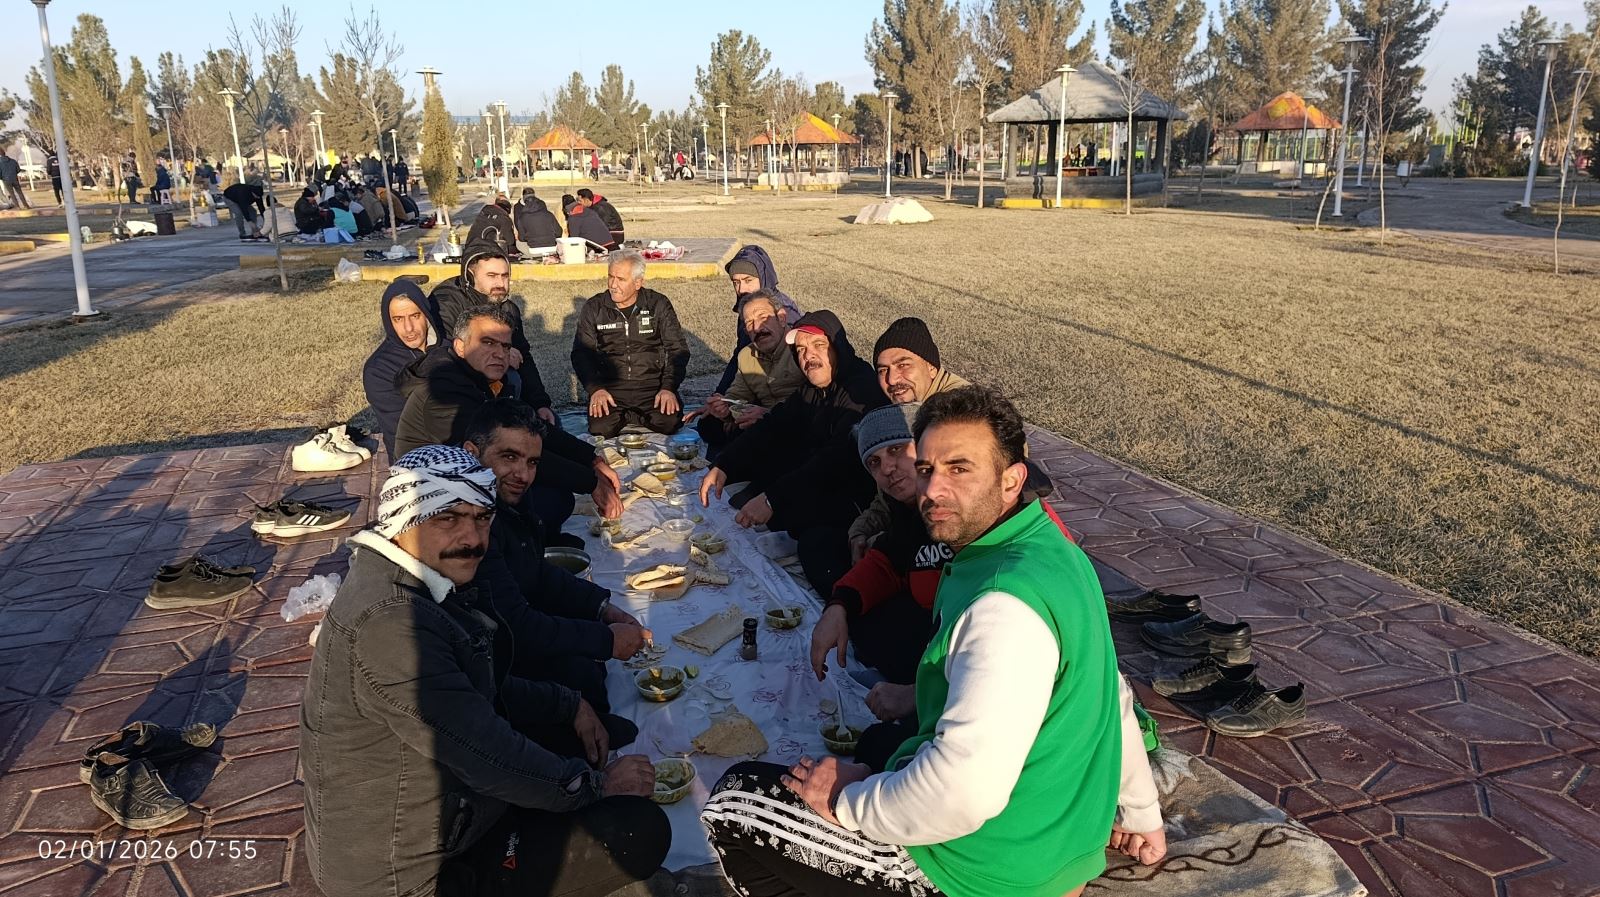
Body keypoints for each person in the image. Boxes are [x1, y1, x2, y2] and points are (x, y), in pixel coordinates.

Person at [702, 387, 1164, 897]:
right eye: (927, 469)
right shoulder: (1054, 553)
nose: (934, 489)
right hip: (1059, 843)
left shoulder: (1002, 604)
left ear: (1012, 480)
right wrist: (1142, 812)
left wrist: (847, 802)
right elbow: (1111, 694)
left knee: (735, 801)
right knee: (881, 748)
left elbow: (962, 793)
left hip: (989, 868)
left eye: (959, 468)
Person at [301, 445, 671, 897]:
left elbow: (474, 688)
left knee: (583, 729)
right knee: (638, 831)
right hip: (413, 873)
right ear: (403, 521)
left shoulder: (413, 579)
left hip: (445, 811)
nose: (472, 538)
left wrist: (567, 704)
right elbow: (486, 753)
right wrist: (598, 786)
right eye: (448, 518)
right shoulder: (389, 625)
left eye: (481, 518)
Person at [462, 399, 651, 713]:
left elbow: (534, 570)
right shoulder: (468, 522)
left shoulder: (505, 496)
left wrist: (601, 607)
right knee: (584, 677)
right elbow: (514, 624)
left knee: (587, 646)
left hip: (508, 627)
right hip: (484, 659)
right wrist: (605, 641)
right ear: (471, 452)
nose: (523, 475)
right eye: (509, 457)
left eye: (532, 462)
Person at [699, 310, 885, 596]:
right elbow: (774, 424)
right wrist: (724, 464)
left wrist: (773, 499)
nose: (808, 356)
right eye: (800, 350)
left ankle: (847, 606)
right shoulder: (812, 388)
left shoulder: (861, 389)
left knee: (810, 542)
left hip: (856, 499)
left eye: (818, 345)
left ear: (837, 347)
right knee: (753, 479)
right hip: (819, 480)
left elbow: (835, 460)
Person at [395, 303, 626, 530]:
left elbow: (530, 427)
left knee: (554, 496)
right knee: (549, 501)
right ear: (460, 347)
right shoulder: (444, 390)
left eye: (505, 346)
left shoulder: (486, 379)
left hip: (470, 480)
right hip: (428, 501)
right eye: (487, 343)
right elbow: (503, 450)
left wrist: (591, 459)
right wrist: (591, 482)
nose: (499, 354)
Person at [571, 251, 689, 436]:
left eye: (621, 279)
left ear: (638, 282)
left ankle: (634, 416)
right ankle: (626, 416)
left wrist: (668, 388)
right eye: (610, 277)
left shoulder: (658, 304)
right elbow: (581, 353)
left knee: (669, 423)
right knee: (600, 429)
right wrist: (596, 389)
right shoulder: (594, 307)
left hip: (652, 387)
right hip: (611, 390)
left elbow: (677, 349)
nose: (613, 285)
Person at [695, 291, 804, 456]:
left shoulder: (801, 348)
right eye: (749, 323)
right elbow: (738, 393)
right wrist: (724, 407)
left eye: (763, 317)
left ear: (782, 318)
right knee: (708, 424)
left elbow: (815, 400)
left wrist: (769, 415)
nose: (757, 328)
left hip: (795, 421)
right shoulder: (747, 355)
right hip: (759, 420)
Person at [362, 280, 442, 458]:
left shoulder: (448, 347)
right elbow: (405, 434)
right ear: (388, 322)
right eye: (398, 319)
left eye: (415, 316)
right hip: (413, 461)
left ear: (426, 315)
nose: (408, 328)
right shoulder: (379, 370)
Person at [716, 245, 803, 394]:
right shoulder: (747, 307)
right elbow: (740, 356)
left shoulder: (784, 311)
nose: (741, 289)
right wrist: (720, 394)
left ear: (763, 278)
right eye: (736, 282)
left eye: (748, 280)